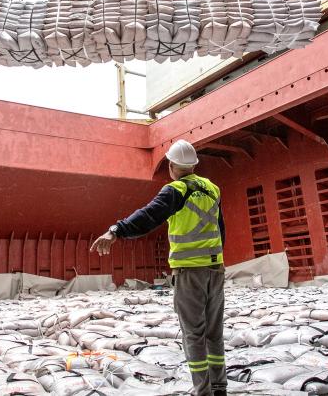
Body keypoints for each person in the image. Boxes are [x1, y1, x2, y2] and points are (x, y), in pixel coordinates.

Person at [90, 140, 226, 396]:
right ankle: (219, 388)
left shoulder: (174, 190)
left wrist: (116, 231)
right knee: (214, 334)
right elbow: (221, 229)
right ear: (194, 165)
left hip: (189, 273)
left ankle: (203, 392)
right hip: (216, 269)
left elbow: (148, 216)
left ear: (173, 166)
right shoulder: (213, 188)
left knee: (194, 335)